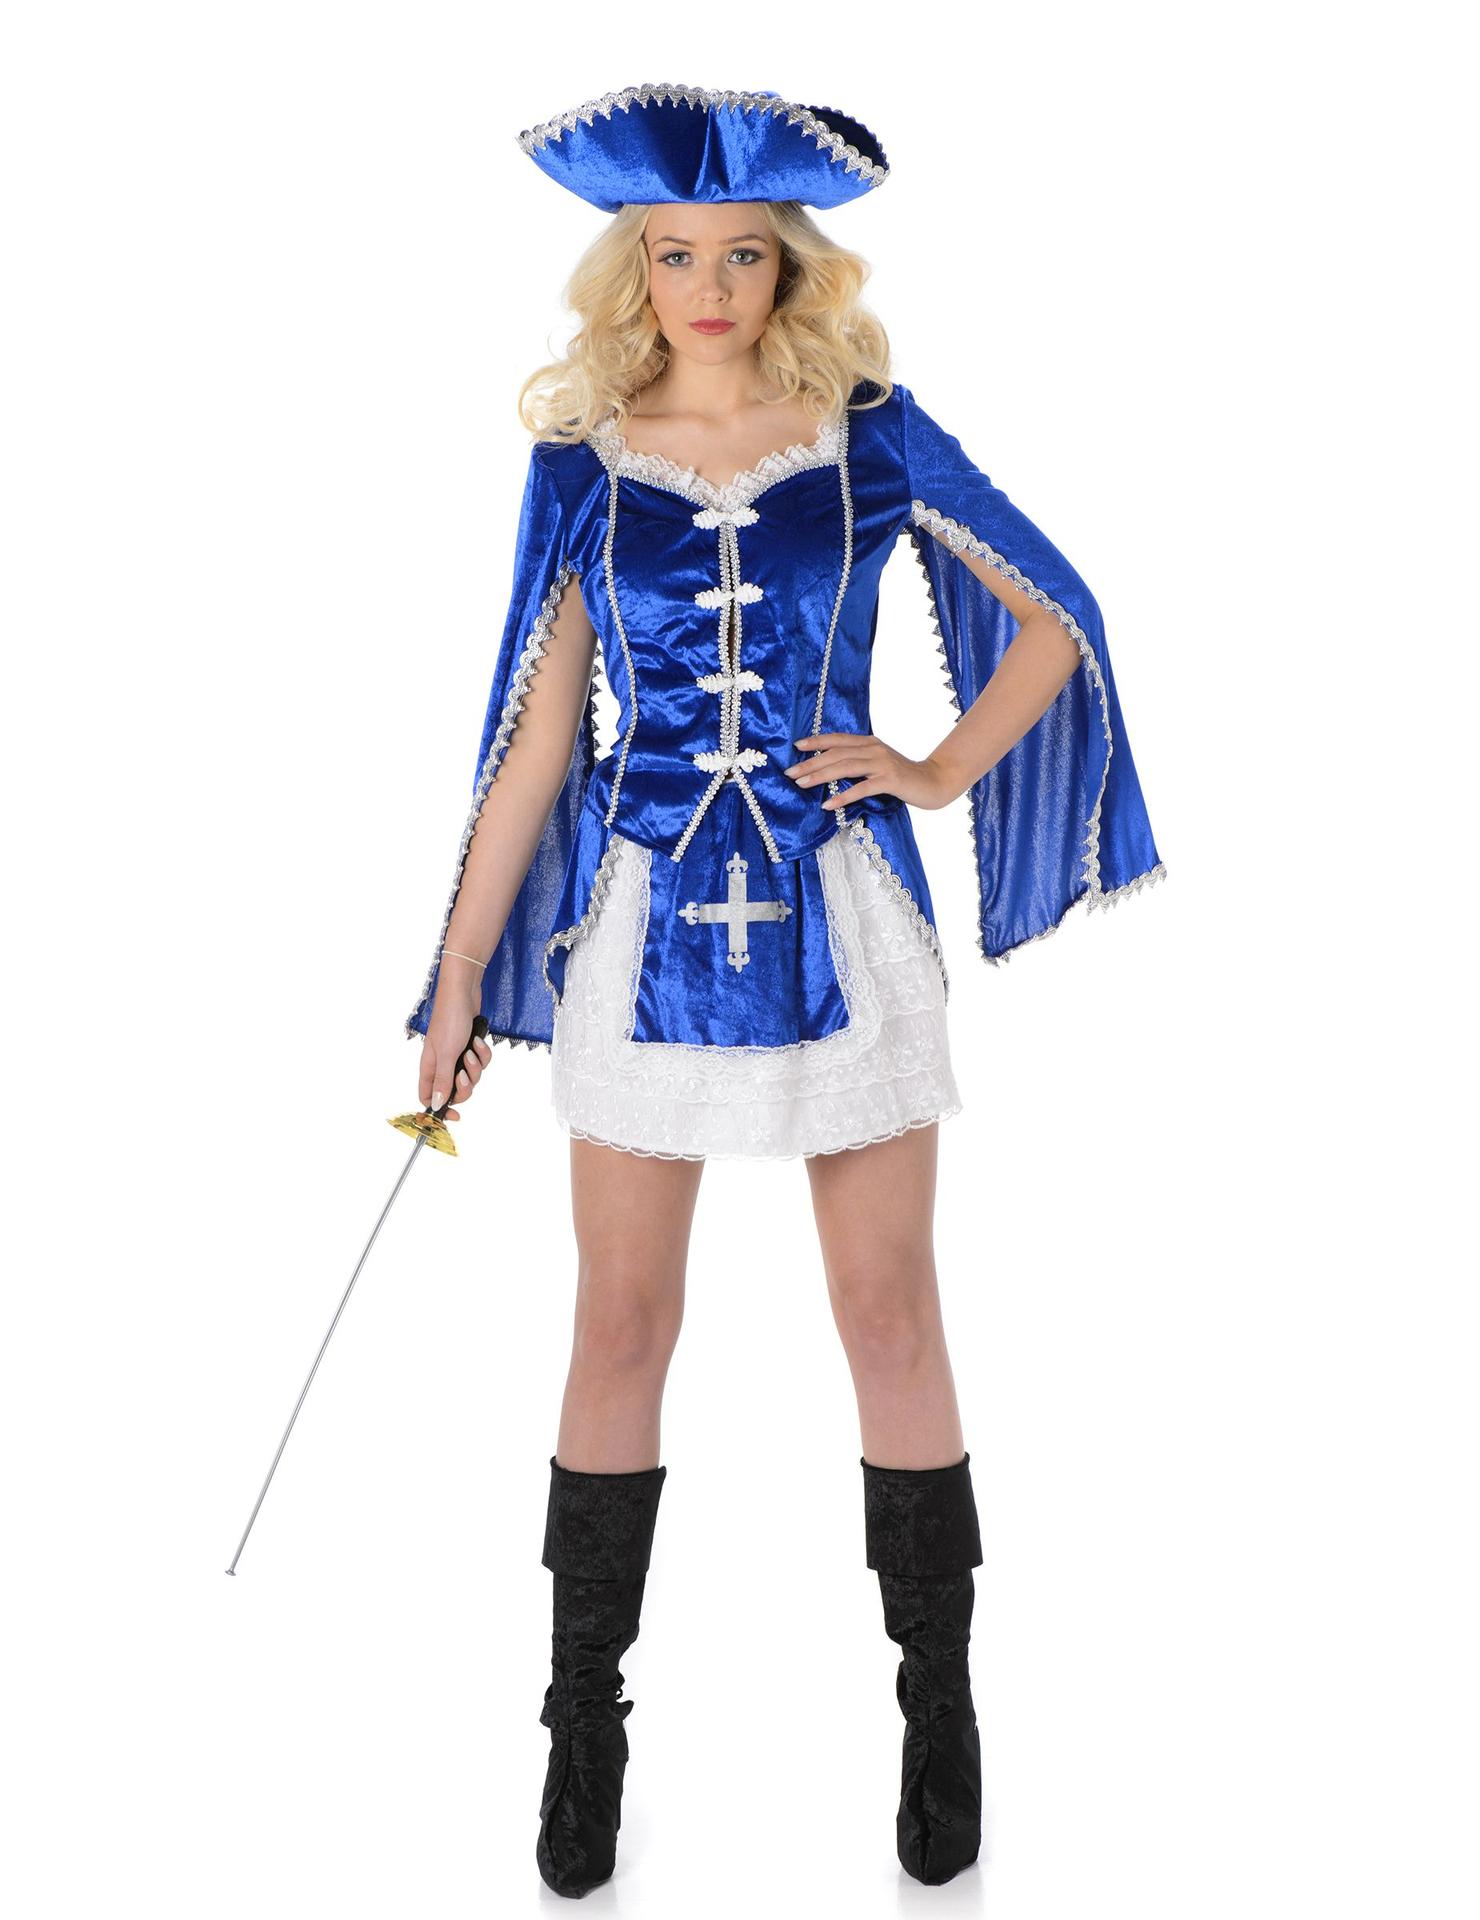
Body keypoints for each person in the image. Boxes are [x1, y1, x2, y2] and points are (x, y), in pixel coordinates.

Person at [403, 83, 1166, 1897]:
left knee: (889, 1311)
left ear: (787, 269)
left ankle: (939, 1703)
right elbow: (535, 742)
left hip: (846, 919)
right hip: (642, 932)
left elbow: (1056, 613)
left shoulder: (869, 433)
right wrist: (454, 982)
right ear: (634, 269)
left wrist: (932, 768)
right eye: (675, 255)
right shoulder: (583, 465)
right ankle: (582, 1720)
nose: (709, 287)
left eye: (743, 255)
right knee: (620, 1325)